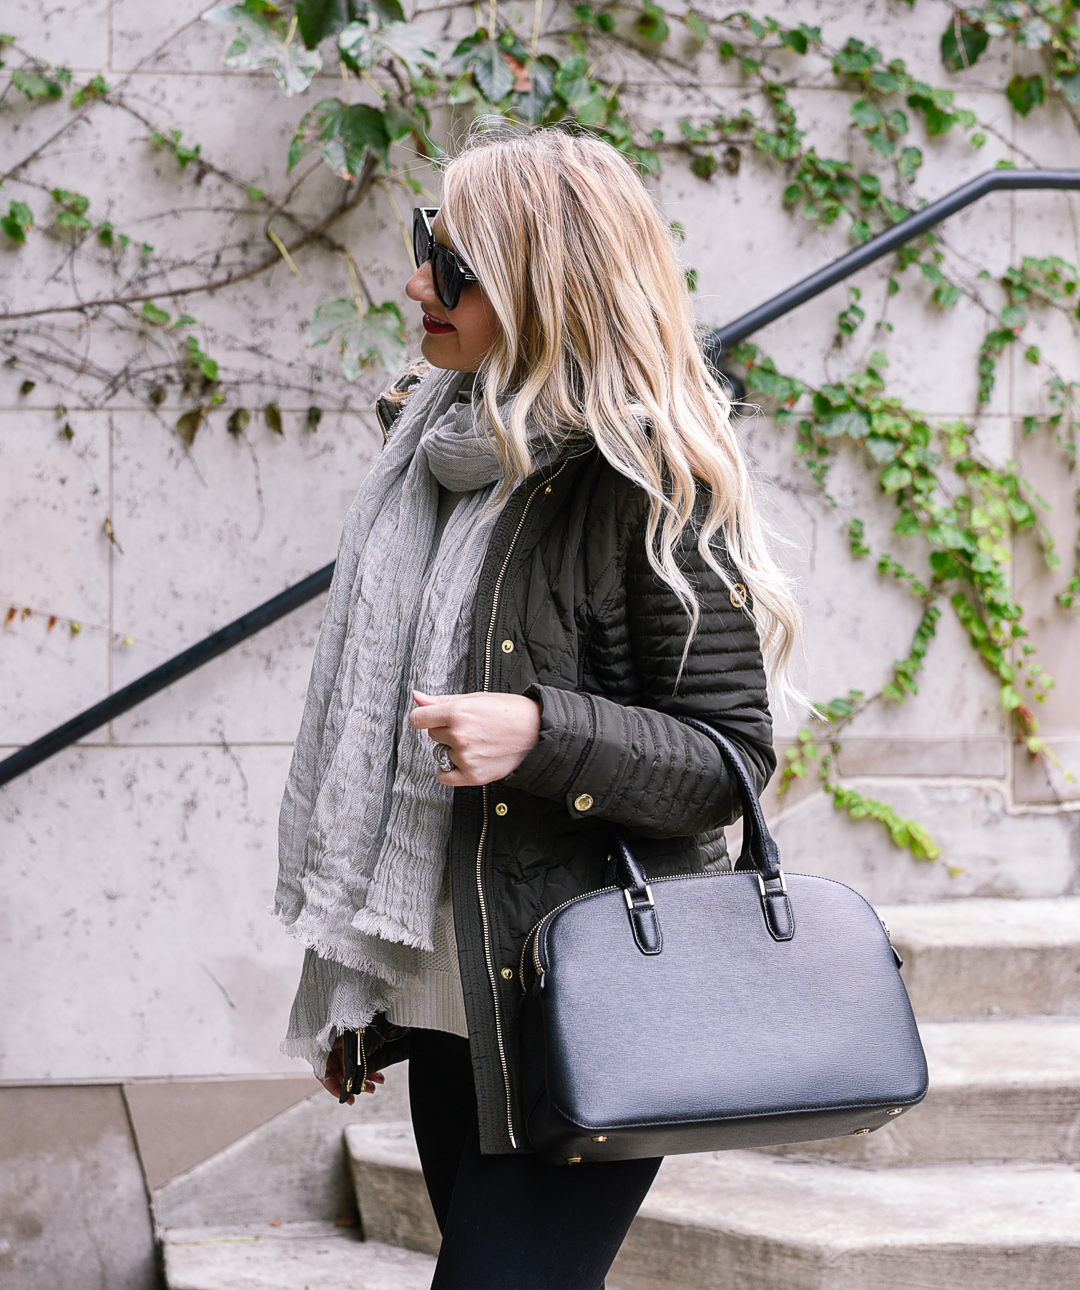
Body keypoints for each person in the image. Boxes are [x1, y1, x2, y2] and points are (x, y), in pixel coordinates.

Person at [274, 125, 802, 1289]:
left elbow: (728, 757)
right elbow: (391, 784)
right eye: (427, 248)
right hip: (449, 1011)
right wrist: (371, 1000)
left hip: (586, 1001)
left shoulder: (648, 476)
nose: (416, 281)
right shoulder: (434, 460)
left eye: (450, 263)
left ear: (539, 283)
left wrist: (541, 733)